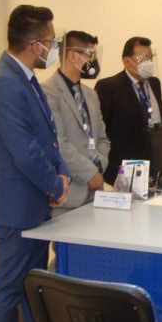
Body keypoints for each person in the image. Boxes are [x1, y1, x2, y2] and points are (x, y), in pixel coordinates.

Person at [0, 5, 70, 322]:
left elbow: (47, 136)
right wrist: (54, 186)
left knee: (34, 281)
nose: (53, 48)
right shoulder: (3, 83)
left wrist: (60, 174)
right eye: (52, 41)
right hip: (15, 205)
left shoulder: (25, 78)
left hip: (35, 200)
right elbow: (25, 151)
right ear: (35, 45)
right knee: (9, 285)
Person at [42, 31, 110, 213]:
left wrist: (99, 166)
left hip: (95, 192)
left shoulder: (91, 94)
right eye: (90, 54)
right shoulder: (48, 92)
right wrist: (89, 173)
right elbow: (59, 143)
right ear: (72, 56)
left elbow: (103, 138)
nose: (93, 61)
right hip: (69, 196)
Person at [95, 36, 162, 185]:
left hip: (154, 167)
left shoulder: (154, 83)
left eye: (150, 58)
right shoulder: (108, 87)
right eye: (143, 58)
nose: (148, 63)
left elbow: (161, 121)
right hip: (123, 170)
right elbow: (99, 132)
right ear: (127, 61)